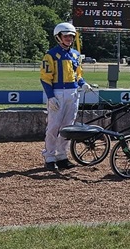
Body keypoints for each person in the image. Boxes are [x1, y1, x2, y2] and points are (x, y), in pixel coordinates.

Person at [39, 22, 91, 172]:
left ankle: (62, 156)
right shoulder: (50, 55)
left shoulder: (75, 54)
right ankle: (49, 157)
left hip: (73, 94)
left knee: (68, 127)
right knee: (53, 127)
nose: (69, 38)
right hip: (57, 94)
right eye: (66, 36)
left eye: (71, 36)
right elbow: (45, 78)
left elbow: (77, 75)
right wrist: (50, 97)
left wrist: (83, 83)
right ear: (59, 37)